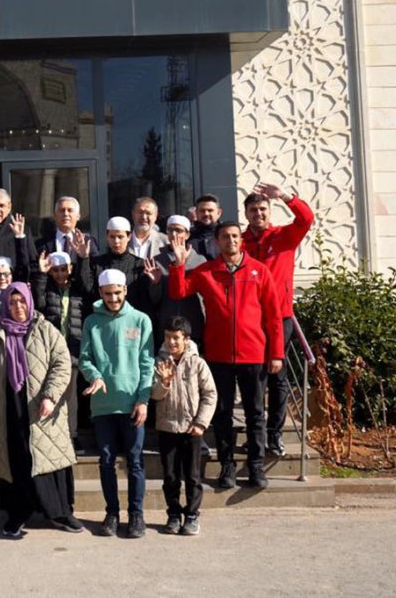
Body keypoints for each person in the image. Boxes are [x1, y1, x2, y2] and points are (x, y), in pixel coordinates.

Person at [167, 222, 283, 489]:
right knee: (222, 413)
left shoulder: (260, 271)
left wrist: (276, 353)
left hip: (254, 355)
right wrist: (179, 263)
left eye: (235, 236)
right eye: (225, 237)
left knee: (255, 414)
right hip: (219, 356)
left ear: (241, 240)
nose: (230, 241)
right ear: (216, 242)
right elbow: (179, 291)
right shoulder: (207, 271)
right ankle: (227, 467)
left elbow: (274, 318)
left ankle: (255, 468)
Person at [0, 282, 83, 537]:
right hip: (7, 409)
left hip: (42, 408)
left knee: (47, 459)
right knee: (15, 460)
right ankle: (17, 514)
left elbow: (62, 364)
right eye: (12, 303)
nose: (17, 307)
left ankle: (60, 513)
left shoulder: (46, 330)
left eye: (21, 301)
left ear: (29, 301)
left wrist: (50, 396)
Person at [79, 269, 154, 539]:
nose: (113, 298)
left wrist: (143, 400)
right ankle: (112, 513)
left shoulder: (141, 320)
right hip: (103, 405)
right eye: (108, 294)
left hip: (133, 403)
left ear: (125, 291)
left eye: (117, 293)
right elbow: (85, 358)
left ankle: (137, 515)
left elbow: (147, 364)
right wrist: (95, 376)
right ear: (100, 293)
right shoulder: (91, 322)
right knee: (106, 461)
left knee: (134, 461)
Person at [242, 182, 314, 457]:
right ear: (246, 214)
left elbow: (306, 218)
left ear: (269, 212)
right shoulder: (241, 242)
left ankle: (274, 435)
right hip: (250, 318)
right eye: (253, 210)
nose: (258, 214)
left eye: (262, 209)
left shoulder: (284, 236)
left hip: (280, 316)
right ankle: (255, 435)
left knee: (277, 376)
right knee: (253, 378)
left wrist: (284, 196)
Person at [152, 316, 217, 536]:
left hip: (192, 428)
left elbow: (210, 394)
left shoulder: (197, 363)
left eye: (176, 338)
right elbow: (154, 394)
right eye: (168, 337)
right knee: (170, 476)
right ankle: (173, 513)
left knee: (192, 475)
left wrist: (201, 423)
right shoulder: (159, 362)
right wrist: (165, 382)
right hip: (167, 427)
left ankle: (192, 515)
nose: (171, 342)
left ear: (186, 339)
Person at [31, 250, 89, 451]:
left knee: (70, 399)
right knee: (48, 394)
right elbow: (37, 305)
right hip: (49, 351)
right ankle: (49, 436)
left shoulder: (77, 290)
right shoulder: (46, 288)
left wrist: (83, 259)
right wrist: (40, 274)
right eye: (55, 270)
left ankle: (71, 435)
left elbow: (87, 285)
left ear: (70, 268)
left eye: (64, 269)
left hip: (72, 352)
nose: (60, 274)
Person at [74, 216, 163, 323]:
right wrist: (83, 259)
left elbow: (147, 302)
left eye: (120, 237)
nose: (116, 241)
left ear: (129, 237)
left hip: (130, 323)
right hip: (102, 322)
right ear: (107, 237)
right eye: (112, 237)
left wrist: (155, 284)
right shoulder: (97, 263)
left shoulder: (140, 265)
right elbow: (87, 290)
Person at [154, 215, 207, 345]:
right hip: (167, 328)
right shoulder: (157, 261)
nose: (173, 234)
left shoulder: (200, 261)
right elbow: (154, 299)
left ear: (187, 234)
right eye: (170, 230)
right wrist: (155, 284)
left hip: (193, 326)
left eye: (178, 230)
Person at [188, 194, 222, 260]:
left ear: (219, 213)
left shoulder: (227, 234)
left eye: (210, 210)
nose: (206, 214)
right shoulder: (188, 236)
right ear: (196, 213)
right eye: (202, 211)